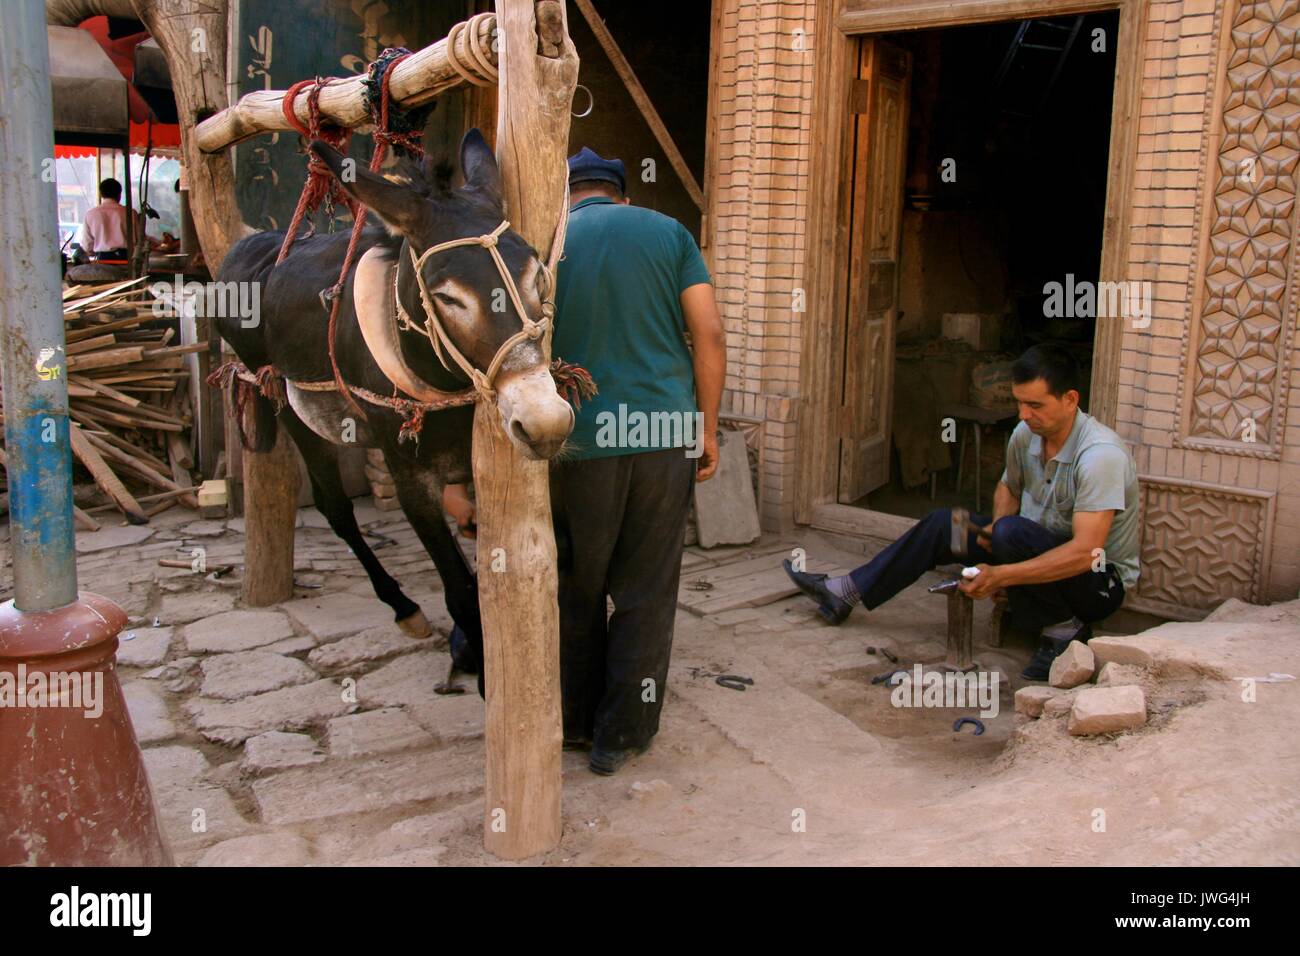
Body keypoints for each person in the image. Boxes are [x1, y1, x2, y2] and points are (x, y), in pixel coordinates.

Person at [783, 344, 1140, 681]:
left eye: (1035, 405)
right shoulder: (1025, 433)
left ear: (1070, 399)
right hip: (1034, 544)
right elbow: (1009, 486)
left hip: (1097, 583)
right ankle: (845, 591)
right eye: (1019, 403)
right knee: (946, 524)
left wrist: (1002, 574)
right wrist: (998, 533)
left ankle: (1064, 629)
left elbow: (1085, 553)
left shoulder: (1100, 456)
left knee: (1011, 535)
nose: (1023, 414)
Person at [550, 146, 727, 775]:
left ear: (568, 191)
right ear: (621, 192)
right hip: (664, 428)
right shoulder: (670, 232)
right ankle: (620, 734)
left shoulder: (545, 241)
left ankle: (573, 721)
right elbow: (706, 332)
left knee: (576, 582)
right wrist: (706, 428)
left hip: (576, 438)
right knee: (645, 589)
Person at [76, 179, 131, 261]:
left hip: (103, 261)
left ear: (101, 194)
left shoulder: (91, 214)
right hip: (126, 261)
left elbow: (87, 246)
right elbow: (137, 240)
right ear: (119, 194)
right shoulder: (130, 213)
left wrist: (92, 252)